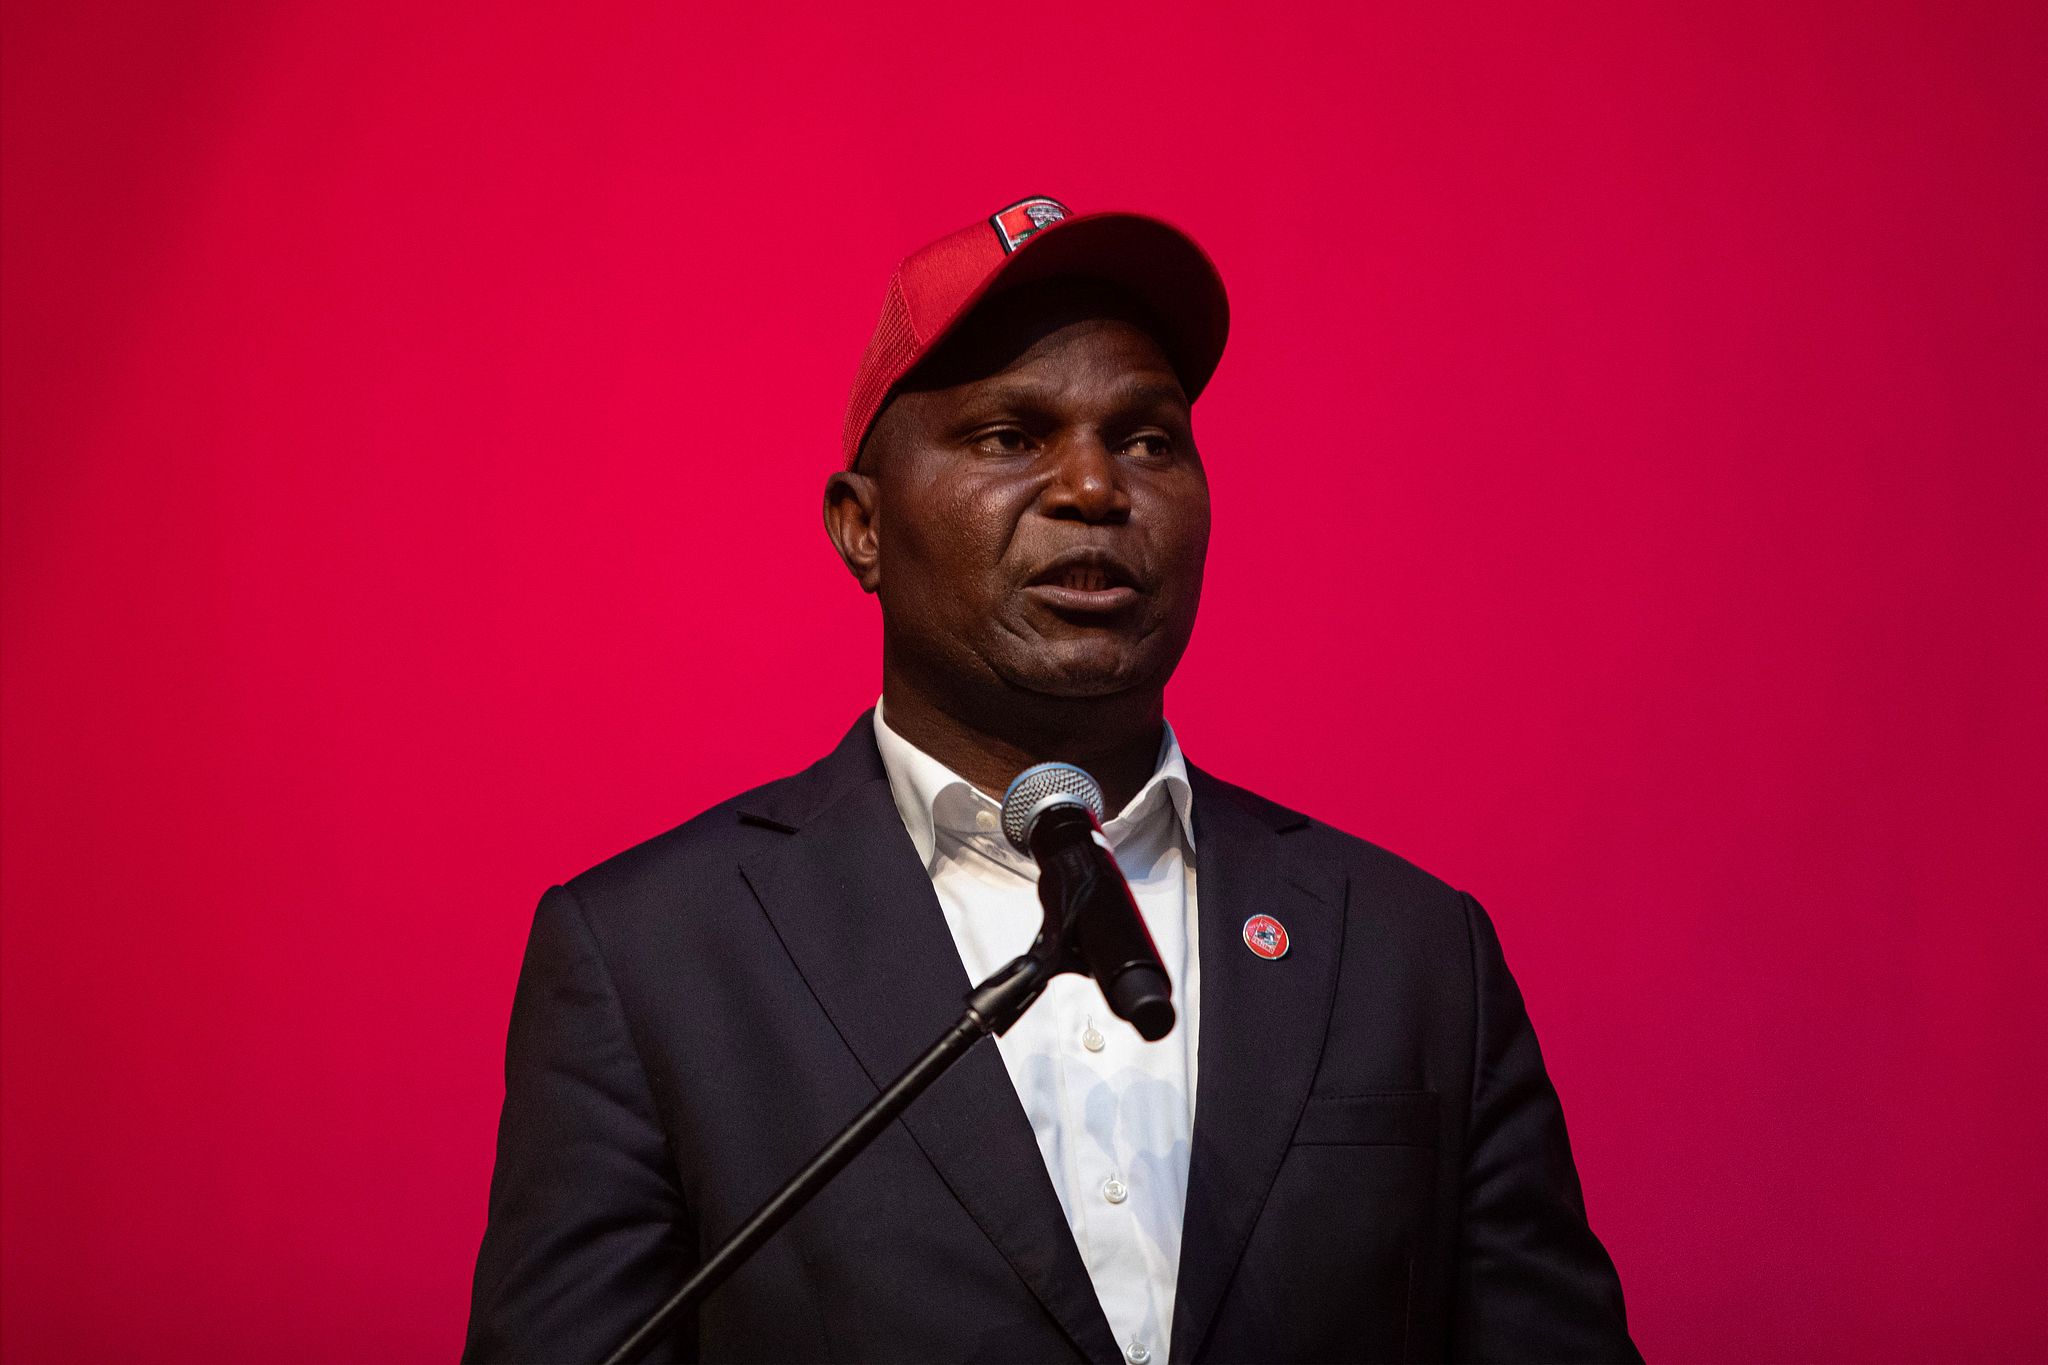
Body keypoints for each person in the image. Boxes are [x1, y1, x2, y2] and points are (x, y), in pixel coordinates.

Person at [464, 196, 1638, 1363]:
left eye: (1146, 439)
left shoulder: (1412, 953)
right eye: (1009, 436)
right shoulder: (651, 959)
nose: (1093, 488)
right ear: (859, 528)